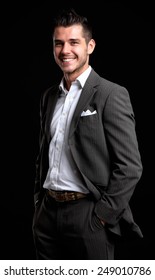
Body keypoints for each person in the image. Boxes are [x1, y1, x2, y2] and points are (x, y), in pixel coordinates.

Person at [32, 8, 143, 260]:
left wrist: (102, 216)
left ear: (90, 46)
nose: (65, 50)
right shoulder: (49, 97)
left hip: (88, 215)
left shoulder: (110, 94)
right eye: (58, 43)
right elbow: (44, 154)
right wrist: (38, 203)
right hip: (47, 216)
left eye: (73, 42)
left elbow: (130, 167)